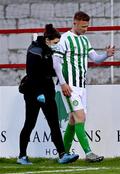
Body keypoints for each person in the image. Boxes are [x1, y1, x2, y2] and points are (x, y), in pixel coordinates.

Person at [53, 11, 115, 162]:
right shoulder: (64, 39)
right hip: (69, 86)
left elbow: (95, 59)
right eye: (83, 26)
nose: (85, 29)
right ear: (75, 22)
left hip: (82, 87)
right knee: (81, 116)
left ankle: (64, 155)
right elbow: (55, 62)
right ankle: (88, 153)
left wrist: (106, 55)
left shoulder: (85, 40)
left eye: (87, 26)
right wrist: (63, 83)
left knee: (74, 121)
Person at [17, 24, 79, 165]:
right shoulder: (34, 51)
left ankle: (63, 155)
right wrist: (39, 93)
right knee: (29, 124)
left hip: (47, 91)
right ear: (47, 40)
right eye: (55, 43)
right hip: (33, 92)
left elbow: (50, 71)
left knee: (54, 124)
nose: (57, 45)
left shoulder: (50, 51)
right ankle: (22, 156)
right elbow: (32, 74)